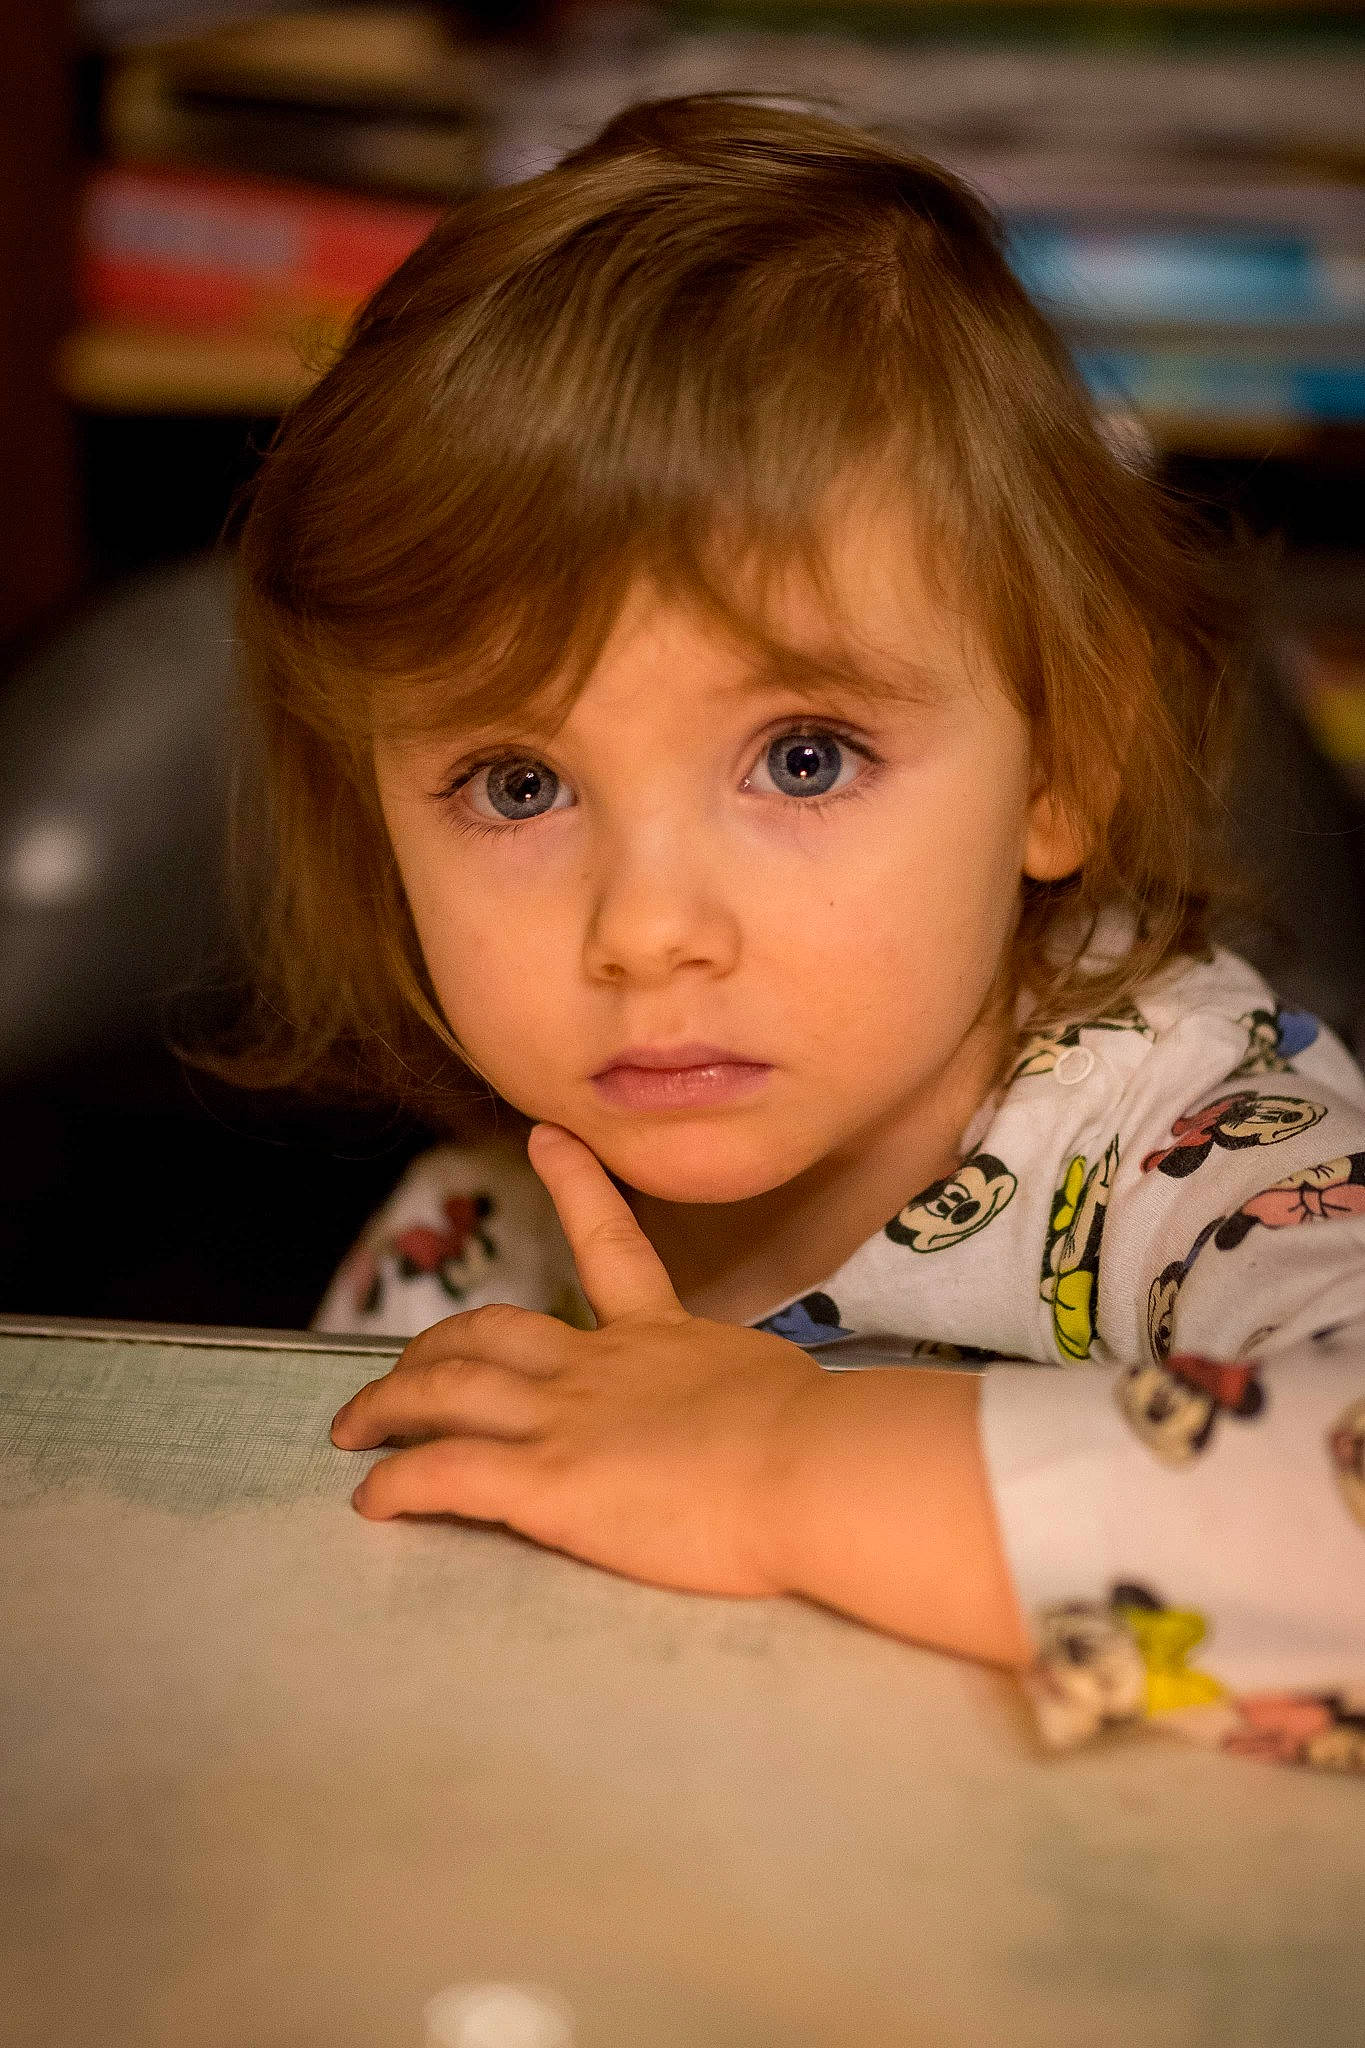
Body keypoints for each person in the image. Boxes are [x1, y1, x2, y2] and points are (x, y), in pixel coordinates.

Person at [228, 95, 1365, 1771]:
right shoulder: (472, 1243)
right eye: (516, 783)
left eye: (803, 758)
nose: (648, 930)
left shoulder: (1195, 1145)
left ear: (1066, 759)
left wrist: (776, 1468)